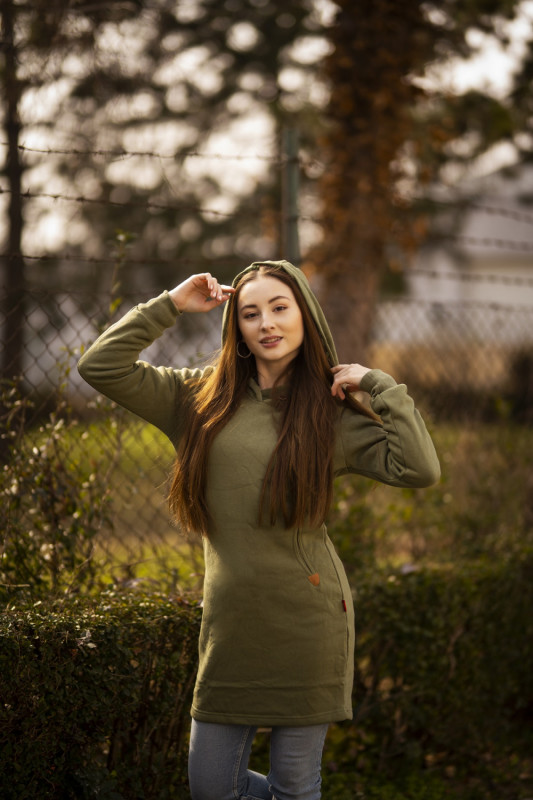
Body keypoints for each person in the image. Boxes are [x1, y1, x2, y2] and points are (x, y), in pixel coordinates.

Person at [78, 259, 440, 800]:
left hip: (308, 623)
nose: (267, 323)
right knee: (211, 787)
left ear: (305, 316)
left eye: (279, 308)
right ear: (238, 328)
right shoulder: (197, 399)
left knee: (294, 787)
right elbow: (100, 366)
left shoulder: (331, 413)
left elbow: (418, 468)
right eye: (251, 313)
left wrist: (378, 384)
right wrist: (171, 304)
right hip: (231, 628)